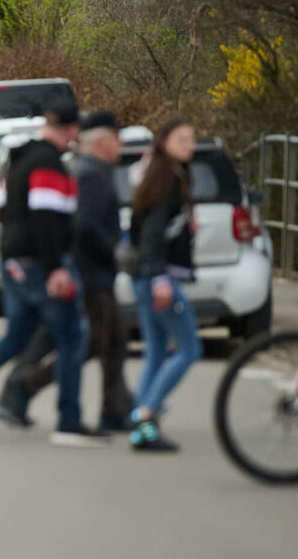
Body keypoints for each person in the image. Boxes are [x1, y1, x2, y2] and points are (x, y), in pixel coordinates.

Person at [0, 106, 108, 447]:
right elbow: (44, 218)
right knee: (74, 337)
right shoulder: (47, 162)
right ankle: (69, 422)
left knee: (15, 340)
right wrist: (56, 268)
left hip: (16, 262)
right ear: (70, 129)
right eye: (76, 131)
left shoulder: (23, 158)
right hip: (39, 265)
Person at [0, 111, 135, 432]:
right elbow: (83, 225)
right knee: (88, 341)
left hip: (95, 271)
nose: (121, 145)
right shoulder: (91, 174)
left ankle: (115, 407)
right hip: (90, 272)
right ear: (100, 141)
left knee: (111, 341)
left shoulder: (93, 170)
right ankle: (23, 386)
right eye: (116, 138)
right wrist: (111, 251)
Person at [127, 118, 201, 452]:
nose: (189, 146)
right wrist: (160, 279)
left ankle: (141, 427)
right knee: (189, 349)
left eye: (191, 140)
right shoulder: (166, 179)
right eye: (181, 139)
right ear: (163, 142)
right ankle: (146, 413)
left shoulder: (166, 174)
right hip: (158, 278)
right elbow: (152, 235)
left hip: (146, 276)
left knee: (156, 351)